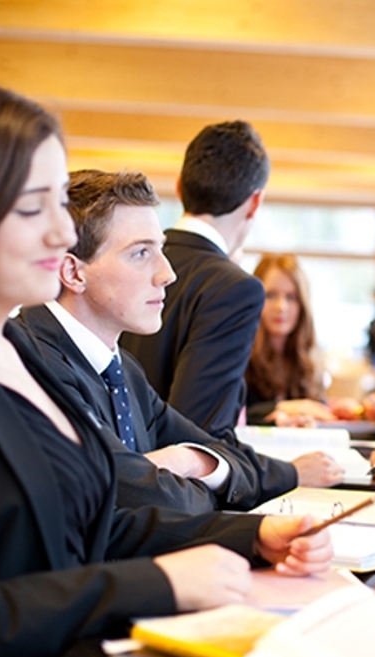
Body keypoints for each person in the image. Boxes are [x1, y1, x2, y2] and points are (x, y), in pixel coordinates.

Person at [0, 81, 332, 657]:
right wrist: (159, 584)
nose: (61, 235)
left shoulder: (14, 349)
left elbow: (81, 527)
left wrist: (247, 536)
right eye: (34, 208)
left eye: (60, 203)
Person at [17, 170, 341, 512]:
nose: (167, 273)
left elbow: (216, 450)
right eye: (141, 253)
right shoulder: (30, 363)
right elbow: (134, 499)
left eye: (160, 249)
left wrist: (191, 461)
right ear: (73, 272)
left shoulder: (123, 369)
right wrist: (172, 478)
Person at [120, 120, 269, 439]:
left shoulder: (126, 260)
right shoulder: (235, 288)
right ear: (255, 202)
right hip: (175, 481)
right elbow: (200, 434)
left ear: (179, 187)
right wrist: (290, 471)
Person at [243, 253, 340, 426]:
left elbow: (314, 407)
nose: (281, 307)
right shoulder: (241, 355)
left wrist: (333, 409)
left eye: (291, 297)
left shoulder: (308, 358)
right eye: (271, 295)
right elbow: (236, 415)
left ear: (302, 305)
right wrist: (288, 408)